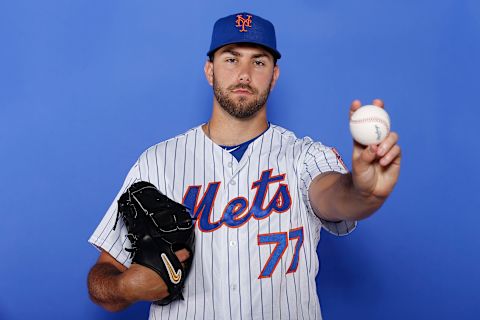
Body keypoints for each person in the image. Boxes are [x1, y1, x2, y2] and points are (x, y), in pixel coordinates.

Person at [87, 12, 401, 320]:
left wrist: (363, 191)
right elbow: (102, 278)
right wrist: (125, 288)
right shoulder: (156, 164)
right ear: (210, 71)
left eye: (259, 61)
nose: (245, 74)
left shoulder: (305, 156)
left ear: (274, 76)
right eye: (231, 59)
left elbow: (336, 196)